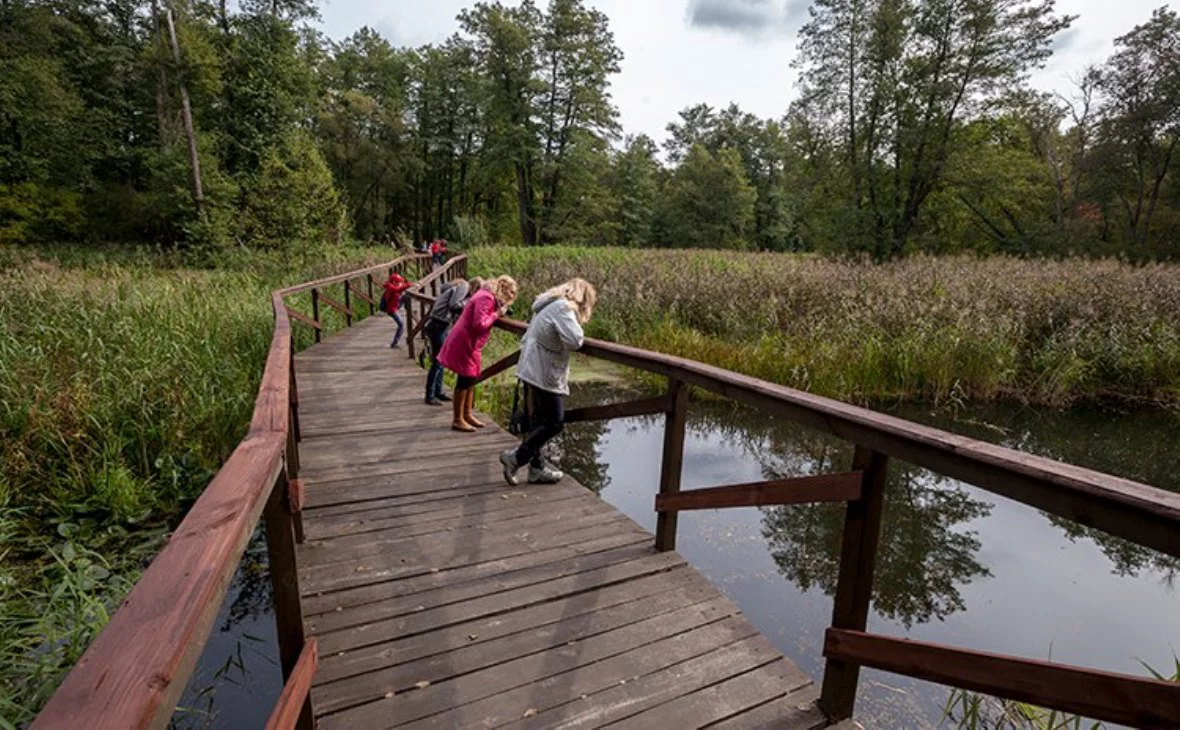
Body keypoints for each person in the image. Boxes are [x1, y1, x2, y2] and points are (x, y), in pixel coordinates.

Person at [499, 278, 596, 486]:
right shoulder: (563, 308)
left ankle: (536, 468)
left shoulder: (547, 305)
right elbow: (575, 340)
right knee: (554, 422)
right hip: (542, 370)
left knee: (538, 420)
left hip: (532, 367)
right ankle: (516, 458)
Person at [437, 275, 518, 432]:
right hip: (465, 342)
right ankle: (457, 419)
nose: (506, 302)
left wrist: (496, 311)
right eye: (507, 297)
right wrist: (497, 314)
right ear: (503, 291)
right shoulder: (486, 297)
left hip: (470, 343)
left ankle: (467, 414)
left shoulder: (485, 295)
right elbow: (479, 324)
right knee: (465, 379)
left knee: (471, 378)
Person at [422, 276, 475, 405]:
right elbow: (454, 306)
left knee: (441, 361)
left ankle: (438, 392)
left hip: (438, 325)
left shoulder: (454, 288)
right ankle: (430, 395)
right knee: (438, 361)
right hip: (438, 325)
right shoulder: (464, 286)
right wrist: (469, 303)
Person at [380, 272, 413, 348]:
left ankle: (409, 310)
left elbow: (401, 287)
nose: (400, 283)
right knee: (401, 325)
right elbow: (398, 289)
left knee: (406, 296)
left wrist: (410, 284)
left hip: (396, 305)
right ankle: (394, 343)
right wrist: (409, 285)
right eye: (399, 282)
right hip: (391, 309)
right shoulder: (391, 288)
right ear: (394, 282)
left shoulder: (393, 286)